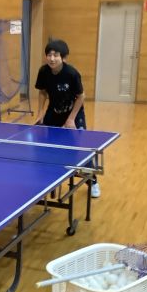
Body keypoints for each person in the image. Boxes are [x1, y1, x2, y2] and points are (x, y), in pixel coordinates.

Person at [34, 39, 100, 198]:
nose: (52, 58)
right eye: (49, 55)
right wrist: (40, 113)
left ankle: (93, 182)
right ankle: (49, 180)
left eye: (55, 55)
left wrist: (71, 119)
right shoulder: (43, 71)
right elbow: (42, 92)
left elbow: (81, 96)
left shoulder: (71, 73)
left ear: (63, 57)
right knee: (48, 147)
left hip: (74, 113)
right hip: (54, 112)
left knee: (81, 148)